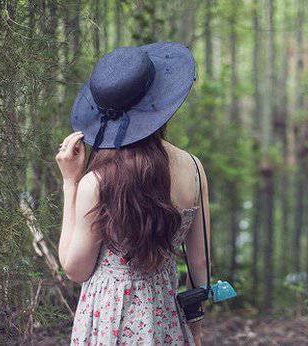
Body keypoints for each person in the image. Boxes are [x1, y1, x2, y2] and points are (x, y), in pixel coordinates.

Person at [55, 42, 210, 345]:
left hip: (107, 320)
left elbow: (75, 268)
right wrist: (196, 328)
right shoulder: (193, 167)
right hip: (165, 318)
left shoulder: (96, 182)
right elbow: (199, 264)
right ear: (158, 105)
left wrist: (70, 183)